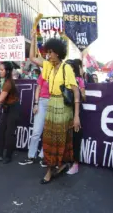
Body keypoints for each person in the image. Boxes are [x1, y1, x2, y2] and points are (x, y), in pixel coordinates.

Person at [29, 29, 81, 184]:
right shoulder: (48, 67)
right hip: (51, 104)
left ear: (58, 53)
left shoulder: (67, 68)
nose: (48, 54)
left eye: (51, 52)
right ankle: (51, 169)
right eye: (48, 52)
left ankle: (58, 166)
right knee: (49, 139)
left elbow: (76, 92)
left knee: (61, 139)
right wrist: (32, 39)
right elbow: (32, 57)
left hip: (64, 108)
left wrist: (77, 116)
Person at [19, 72, 49, 167]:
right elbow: (38, 88)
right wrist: (36, 103)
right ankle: (31, 156)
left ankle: (44, 156)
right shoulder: (44, 73)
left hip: (55, 102)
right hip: (41, 101)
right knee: (36, 131)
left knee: (49, 132)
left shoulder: (59, 73)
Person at [66, 59, 87, 175]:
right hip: (64, 111)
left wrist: (78, 90)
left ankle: (75, 164)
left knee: (76, 137)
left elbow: (84, 97)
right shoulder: (62, 80)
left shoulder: (79, 80)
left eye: (69, 67)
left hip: (76, 112)